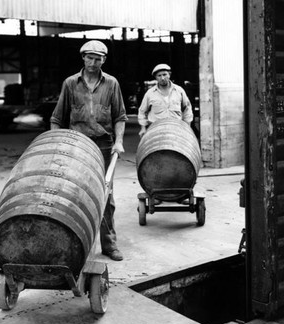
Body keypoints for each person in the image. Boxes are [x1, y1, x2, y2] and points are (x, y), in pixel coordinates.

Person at [50, 40, 127, 261]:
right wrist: (57, 143)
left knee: (105, 195)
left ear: (104, 60)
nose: (93, 62)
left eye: (98, 58)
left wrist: (118, 141)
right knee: (72, 192)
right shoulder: (70, 84)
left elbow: (120, 117)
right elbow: (57, 118)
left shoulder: (111, 84)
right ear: (83, 58)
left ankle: (109, 245)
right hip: (77, 145)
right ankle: (71, 244)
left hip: (103, 145)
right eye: (89, 57)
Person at [138, 63, 193, 138]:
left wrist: (187, 127)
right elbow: (142, 111)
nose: (162, 78)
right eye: (159, 75)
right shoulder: (150, 93)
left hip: (175, 130)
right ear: (156, 78)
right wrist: (143, 128)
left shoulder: (179, 91)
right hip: (156, 130)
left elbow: (187, 109)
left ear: (169, 75)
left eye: (164, 74)